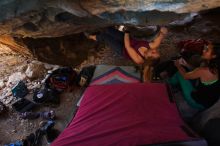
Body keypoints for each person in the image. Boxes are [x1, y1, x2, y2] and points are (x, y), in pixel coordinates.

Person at [168, 42, 220, 110]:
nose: (203, 50)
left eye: (207, 50)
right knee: (188, 71)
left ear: (214, 56)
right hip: (210, 102)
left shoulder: (203, 70)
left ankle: (166, 85)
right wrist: (186, 65)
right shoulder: (216, 67)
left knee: (179, 74)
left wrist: (178, 65)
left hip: (198, 103)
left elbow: (185, 76)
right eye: (205, 48)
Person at [86, 26, 168, 65]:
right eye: (156, 52)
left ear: (147, 58)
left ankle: (91, 36)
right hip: (131, 40)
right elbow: (162, 31)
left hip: (123, 50)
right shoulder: (153, 46)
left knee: (106, 38)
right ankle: (98, 29)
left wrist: (127, 31)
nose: (155, 50)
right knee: (109, 30)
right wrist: (163, 30)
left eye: (153, 53)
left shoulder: (139, 60)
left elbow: (127, 46)